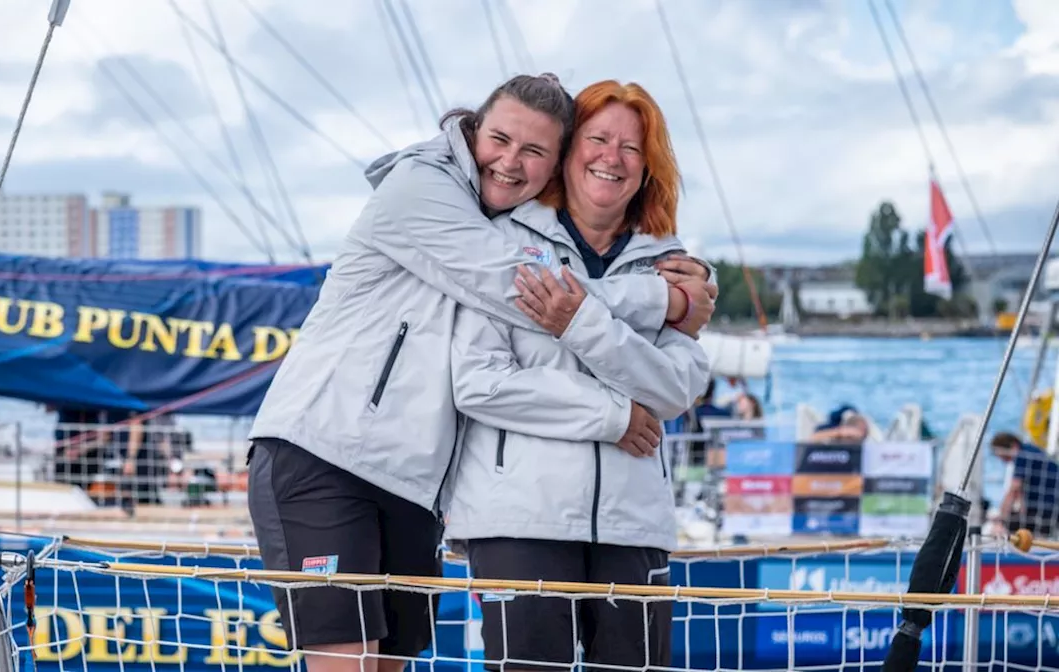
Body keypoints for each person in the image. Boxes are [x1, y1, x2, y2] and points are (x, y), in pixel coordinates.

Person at [246, 73, 716, 672]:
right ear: (473, 128)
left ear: (554, 165)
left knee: (390, 663)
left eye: (534, 151)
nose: (511, 162)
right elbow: (518, 297)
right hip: (324, 453)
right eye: (500, 139)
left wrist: (674, 287)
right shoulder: (423, 186)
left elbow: (675, 379)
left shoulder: (523, 229)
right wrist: (662, 303)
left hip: (413, 483)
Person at [444, 79, 710, 671]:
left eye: (632, 148)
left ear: (648, 168)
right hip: (519, 517)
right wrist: (612, 416)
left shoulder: (671, 269)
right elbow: (479, 382)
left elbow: (671, 389)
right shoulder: (502, 245)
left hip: (633, 522)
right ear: (568, 151)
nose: (611, 158)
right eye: (597, 138)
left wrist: (579, 322)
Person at [988, 431, 1059, 537]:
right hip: (1048, 507)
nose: (1004, 461)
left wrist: (1001, 517)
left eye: (1004, 457)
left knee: (1002, 528)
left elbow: (1014, 488)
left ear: (1012, 446)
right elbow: (1019, 494)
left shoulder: (1023, 456)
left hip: (1046, 510)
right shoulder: (1030, 451)